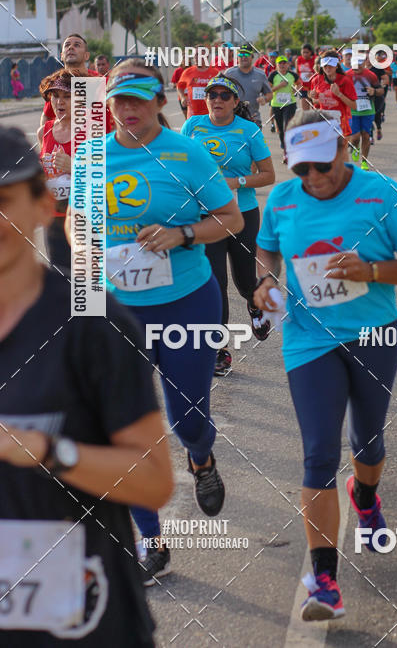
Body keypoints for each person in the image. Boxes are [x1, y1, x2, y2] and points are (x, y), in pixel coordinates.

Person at [66, 58, 243, 584]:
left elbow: (230, 219)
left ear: (160, 102)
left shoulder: (185, 154)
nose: (128, 110)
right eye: (119, 100)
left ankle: (201, 460)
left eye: (139, 100)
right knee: (124, 426)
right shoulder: (93, 156)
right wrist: (86, 262)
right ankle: (150, 539)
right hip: (118, 310)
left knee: (187, 417)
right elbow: (78, 223)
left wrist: (182, 235)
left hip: (186, 300)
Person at [253, 112, 397, 621]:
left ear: (345, 150)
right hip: (308, 340)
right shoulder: (284, 200)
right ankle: (325, 582)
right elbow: (266, 250)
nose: (314, 178)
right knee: (317, 455)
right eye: (302, 169)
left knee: (369, 442)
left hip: (374, 334)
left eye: (322, 166)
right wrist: (263, 282)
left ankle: (366, 495)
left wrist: (371, 270)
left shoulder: (384, 194)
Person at [0, 124, 173, 645]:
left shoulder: (90, 323)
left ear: (39, 205)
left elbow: (153, 480)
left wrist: (47, 451)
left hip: (85, 620)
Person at [182, 74, 275, 375]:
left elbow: (268, 174)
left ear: (236, 101)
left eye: (225, 96)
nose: (218, 100)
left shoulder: (248, 130)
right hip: (205, 217)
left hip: (243, 214)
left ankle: (255, 304)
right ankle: (219, 349)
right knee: (214, 284)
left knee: (246, 281)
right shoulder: (192, 126)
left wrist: (235, 181)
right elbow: (180, 166)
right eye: (213, 95)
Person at [37, 71, 73, 272]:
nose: (60, 102)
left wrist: (74, 167)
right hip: (53, 218)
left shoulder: (90, 131)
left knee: (88, 280)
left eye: (67, 96)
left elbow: (107, 176)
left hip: (83, 216)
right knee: (59, 275)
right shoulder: (44, 131)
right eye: (55, 96)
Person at [37, 34, 98, 138]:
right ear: (61, 55)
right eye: (67, 45)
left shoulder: (102, 82)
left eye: (77, 45)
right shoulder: (57, 85)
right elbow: (47, 116)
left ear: (86, 56)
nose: (71, 47)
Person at [308, 51, 356, 136]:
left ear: (337, 66)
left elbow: (354, 106)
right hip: (324, 122)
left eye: (330, 65)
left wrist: (339, 94)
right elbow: (315, 101)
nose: (328, 68)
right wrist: (313, 96)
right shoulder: (316, 80)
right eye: (325, 66)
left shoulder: (345, 81)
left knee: (340, 149)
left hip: (341, 124)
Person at [347, 55, 384, 170]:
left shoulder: (370, 75)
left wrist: (374, 91)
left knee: (366, 136)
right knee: (355, 137)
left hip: (367, 110)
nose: (357, 66)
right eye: (354, 64)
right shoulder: (347, 75)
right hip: (352, 110)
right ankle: (356, 147)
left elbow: (381, 90)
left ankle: (364, 161)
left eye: (359, 63)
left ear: (363, 63)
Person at [225, 45, 272, 128]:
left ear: (252, 56)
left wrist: (264, 98)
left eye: (246, 55)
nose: (243, 57)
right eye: (241, 55)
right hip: (233, 120)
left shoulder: (260, 74)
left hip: (253, 120)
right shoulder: (229, 74)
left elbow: (270, 94)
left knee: (255, 141)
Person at [269, 55, 300, 161]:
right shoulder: (273, 75)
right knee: (281, 129)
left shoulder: (292, 75)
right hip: (277, 105)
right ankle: (284, 144)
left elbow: (300, 84)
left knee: (287, 126)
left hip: (290, 104)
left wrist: (296, 90)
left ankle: (287, 152)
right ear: (276, 65)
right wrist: (280, 86)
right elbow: (269, 90)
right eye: (280, 63)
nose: (282, 65)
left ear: (288, 65)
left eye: (284, 63)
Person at [177, 49, 221, 118]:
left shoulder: (215, 72)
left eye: (200, 55)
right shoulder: (187, 72)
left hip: (211, 113)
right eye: (195, 55)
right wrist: (182, 97)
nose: (197, 57)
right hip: (193, 114)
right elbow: (179, 86)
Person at [368, 50, 391, 142]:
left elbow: (386, 79)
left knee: (376, 114)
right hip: (366, 96)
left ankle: (379, 128)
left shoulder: (377, 68)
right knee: (368, 114)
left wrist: (381, 85)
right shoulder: (361, 69)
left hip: (376, 94)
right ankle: (370, 136)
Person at [296, 44, 317, 110]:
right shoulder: (298, 60)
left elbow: (320, 72)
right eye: (303, 52)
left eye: (307, 52)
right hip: (303, 88)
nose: (305, 54)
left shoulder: (315, 59)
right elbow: (297, 73)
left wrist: (313, 74)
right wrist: (297, 84)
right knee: (305, 112)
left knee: (315, 111)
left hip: (314, 88)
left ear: (311, 52)